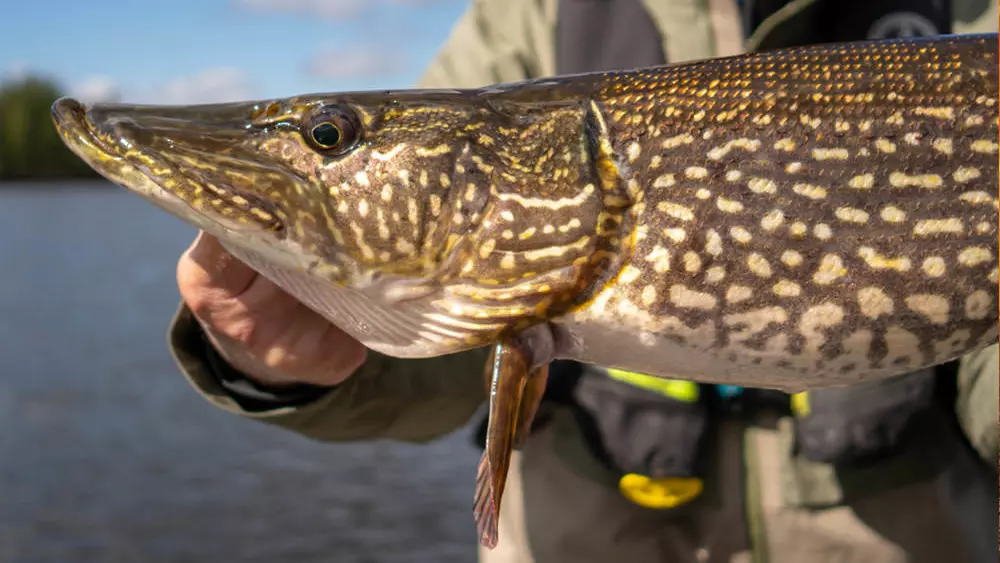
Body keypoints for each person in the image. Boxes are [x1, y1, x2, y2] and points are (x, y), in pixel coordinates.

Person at [168, 0, 999, 561]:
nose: (323, 148)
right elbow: (442, 328)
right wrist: (284, 363)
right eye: (331, 134)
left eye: (326, 137)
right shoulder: (542, 13)